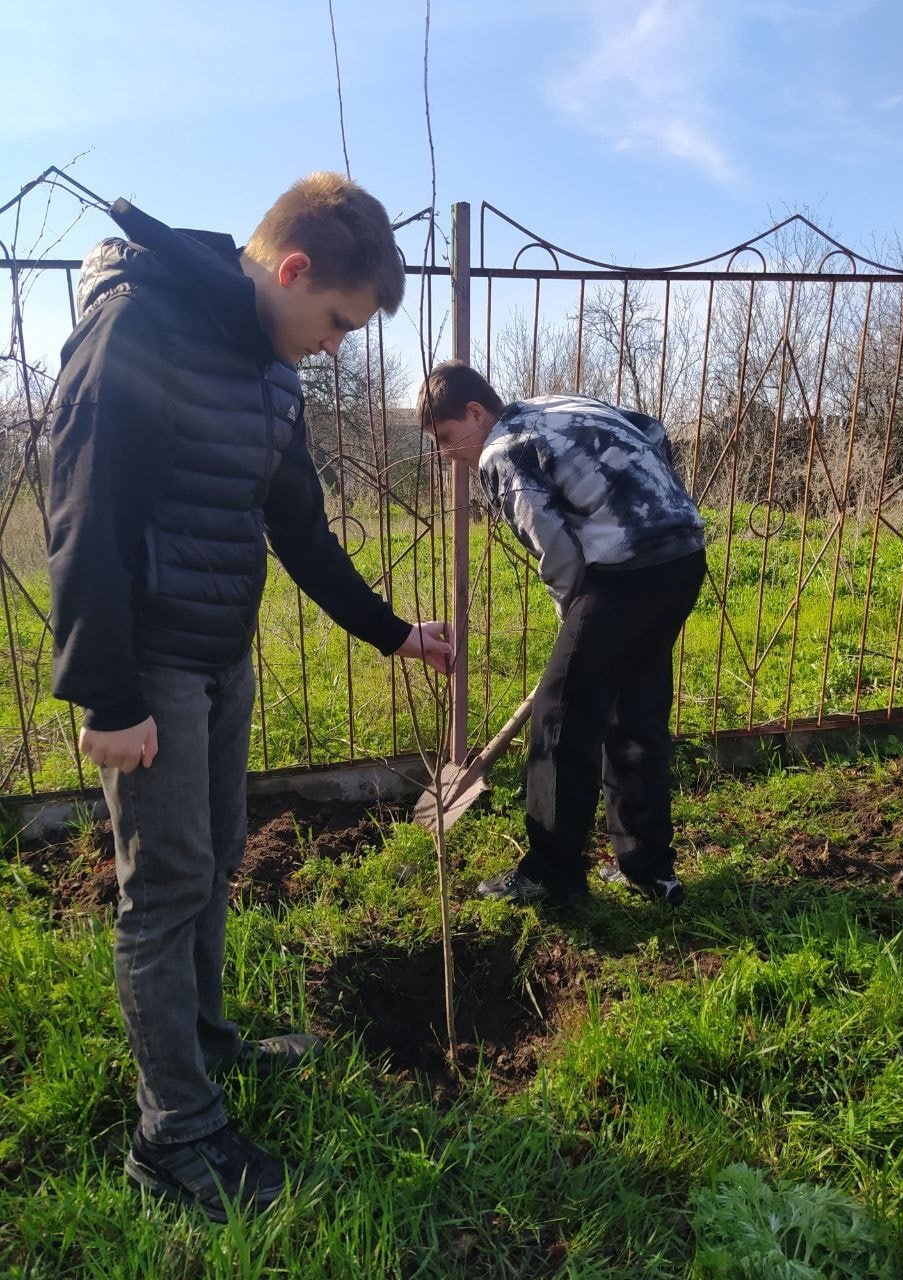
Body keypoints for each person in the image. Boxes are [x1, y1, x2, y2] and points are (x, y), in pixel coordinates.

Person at [47, 173, 451, 1221]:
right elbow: (82, 508)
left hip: (223, 657)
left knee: (215, 858)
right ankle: (172, 1133)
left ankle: (211, 1049)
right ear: (293, 268)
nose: (334, 346)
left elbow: (301, 529)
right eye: (335, 322)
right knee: (165, 888)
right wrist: (108, 694)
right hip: (150, 667)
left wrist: (396, 632)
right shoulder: (138, 326)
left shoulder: (272, 377)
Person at [417, 361, 705, 909]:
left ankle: (552, 874)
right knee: (635, 709)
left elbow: (558, 551)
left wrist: (574, 622)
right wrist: (648, 502)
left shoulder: (503, 450)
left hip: (623, 573)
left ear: (476, 412)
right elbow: (650, 429)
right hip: (682, 554)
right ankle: (650, 869)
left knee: (560, 715)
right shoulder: (556, 404)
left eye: (447, 438)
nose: (446, 453)